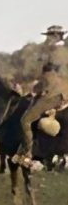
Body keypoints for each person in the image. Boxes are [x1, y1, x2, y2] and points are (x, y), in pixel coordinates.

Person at [13, 26, 68, 167]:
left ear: (56, 36)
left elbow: (49, 78)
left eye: (50, 36)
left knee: (25, 120)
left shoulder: (57, 53)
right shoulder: (57, 52)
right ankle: (23, 153)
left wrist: (33, 89)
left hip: (53, 94)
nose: (47, 39)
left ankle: (27, 154)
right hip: (53, 92)